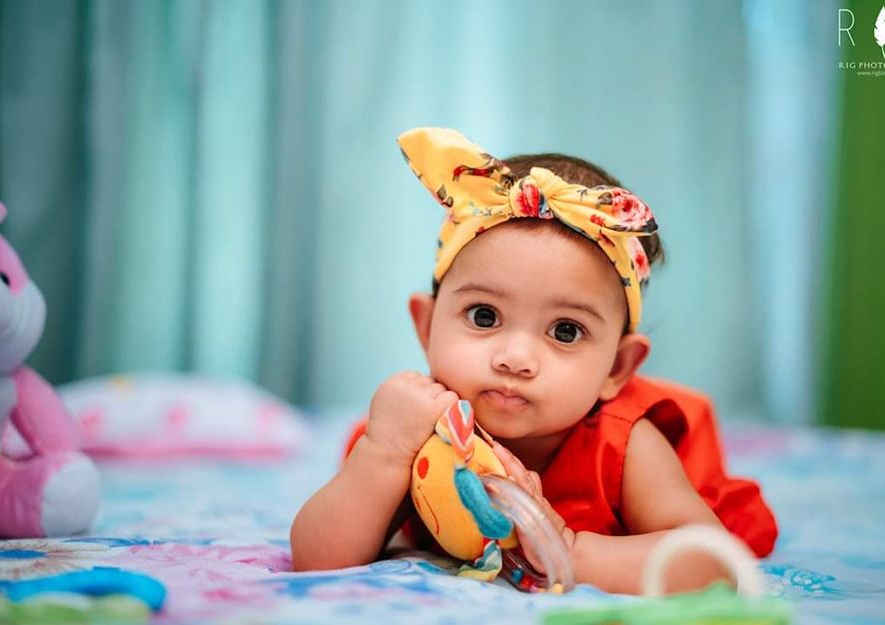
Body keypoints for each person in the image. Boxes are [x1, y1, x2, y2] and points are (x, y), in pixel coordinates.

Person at [291, 128, 777, 594]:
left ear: (616, 368)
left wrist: (570, 550)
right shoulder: (407, 431)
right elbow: (318, 559)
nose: (516, 358)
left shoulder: (625, 445)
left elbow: (712, 563)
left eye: (566, 331)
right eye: (484, 316)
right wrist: (383, 454)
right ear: (426, 326)